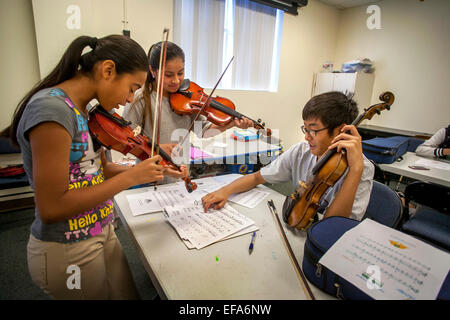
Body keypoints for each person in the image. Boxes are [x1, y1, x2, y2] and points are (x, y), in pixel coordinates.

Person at [2, 35, 184, 299]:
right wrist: (133, 176)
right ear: (107, 70)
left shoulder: (86, 110)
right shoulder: (52, 109)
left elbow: (102, 172)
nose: (128, 98)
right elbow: (51, 207)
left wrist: (153, 169)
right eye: (131, 87)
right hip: (67, 246)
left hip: (100, 229)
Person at [202, 91, 375, 222]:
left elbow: (335, 227)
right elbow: (256, 177)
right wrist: (224, 191)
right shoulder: (301, 151)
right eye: (305, 129)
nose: (307, 137)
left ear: (340, 130)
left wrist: (356, 170)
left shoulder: (361, 168)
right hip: (296, 224)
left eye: (314, 130)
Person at [122, 41, 254, 169]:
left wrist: (231, 124)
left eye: (180, 73)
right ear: (152, 70)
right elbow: (126, 139)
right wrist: (156, 149)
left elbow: (203, 131)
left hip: (181, 173)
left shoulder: (188, 98)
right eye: (168, 75)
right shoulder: (140, 98)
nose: (176, 80)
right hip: (150, 174)